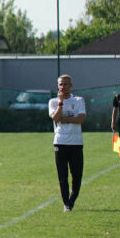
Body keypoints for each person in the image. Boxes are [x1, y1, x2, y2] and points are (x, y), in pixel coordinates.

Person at [49, 74, 85, 211]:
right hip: (60, 142)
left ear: (71, 85)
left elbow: (81, 119)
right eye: (60, 84)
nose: (63, 87)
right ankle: (66, 203)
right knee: (62, 176)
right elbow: (55, 118)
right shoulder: (53, 102)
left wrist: (64, 118)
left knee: (77, 176)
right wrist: (60, 102)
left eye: (65, 84)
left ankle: (72, 199)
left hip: (76, 143)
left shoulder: (79, 100)